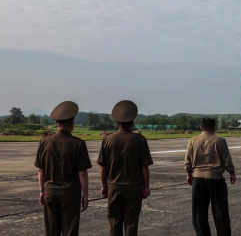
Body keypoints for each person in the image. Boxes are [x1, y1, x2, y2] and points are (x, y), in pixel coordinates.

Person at [34, 101, 92, 236]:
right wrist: (85, 196)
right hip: (70, 194)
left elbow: (40, 170)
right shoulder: (78, 144)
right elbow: (82, 173)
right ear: (72, 123)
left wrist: (42, 190)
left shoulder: (44, 141)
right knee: (69, 231)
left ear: (56, 123)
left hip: (50, 192)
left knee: (51, 231)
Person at [97, 100, 153, 236]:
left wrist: (104, 185)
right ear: (132, 121)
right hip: (133, 188)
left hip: (114, 187)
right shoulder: (140, 140)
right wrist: (146, 186)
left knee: (114, 222)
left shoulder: (107, 139)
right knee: (131, 224)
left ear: (118, 122)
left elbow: (103, 168)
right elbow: (144, 167)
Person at [184, 117, 236, 236]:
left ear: (201, 128)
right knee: (220, 213)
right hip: (216, 179)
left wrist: (188, 173)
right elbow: (227, 160)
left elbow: (187, 161)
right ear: (214, 128)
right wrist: (232, 172)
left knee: (199, 214)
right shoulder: (220, 140)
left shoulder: (192, 140)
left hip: (198, 179)